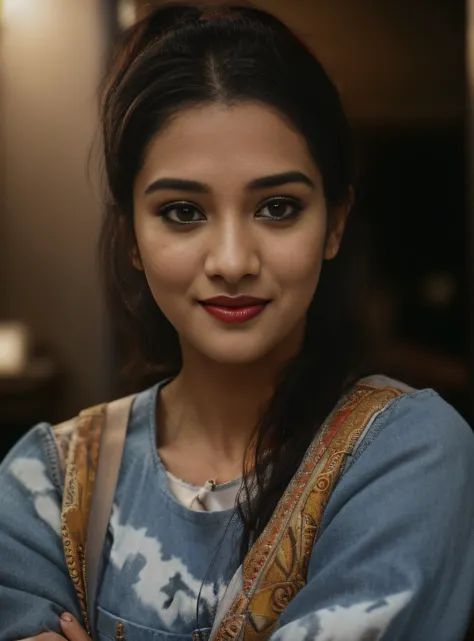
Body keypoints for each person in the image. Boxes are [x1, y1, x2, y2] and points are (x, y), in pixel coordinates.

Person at [1, 4, 474, 641]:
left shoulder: (407, 457)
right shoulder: (45, 483)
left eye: (278, 207)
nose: (231, 261)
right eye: (181, 212)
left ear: (334, 223)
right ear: (133, 237)